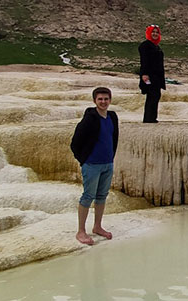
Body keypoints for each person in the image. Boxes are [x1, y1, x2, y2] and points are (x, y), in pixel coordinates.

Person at [69, 87, 118, 245]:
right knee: (88, 196)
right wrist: (83, 160)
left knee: (102, 196)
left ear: (110, 100)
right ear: (94, 101)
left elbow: (113, 138)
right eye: (100, 99)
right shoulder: (90, 118)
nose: (103, 102)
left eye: (106, 99)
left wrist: (111, 157)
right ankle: (81, 231)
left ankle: (97, 226)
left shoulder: (112, 116)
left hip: (107, 163)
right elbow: (75, 142)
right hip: (92, 164)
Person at [138, 25, 165, 123]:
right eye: (153, 32)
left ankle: (153, 118)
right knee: (151, 96)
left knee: (156, 95)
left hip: (156, 77)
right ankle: (148, 119)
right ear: (149, 33)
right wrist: (144, 74)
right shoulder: (145, 45)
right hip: (149, 76)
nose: (155, 34)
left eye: (157, 32)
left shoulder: (156, 46)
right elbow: (144, 61)